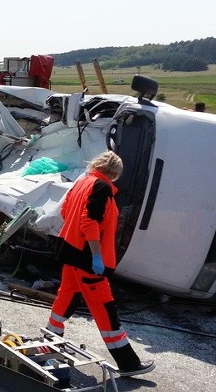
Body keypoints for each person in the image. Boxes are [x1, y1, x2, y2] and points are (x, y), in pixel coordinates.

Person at [45, 150, 155, 377]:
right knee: (105, 309)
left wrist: (77, 236)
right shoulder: (102, 188)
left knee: (66, 295)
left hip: (69, 251)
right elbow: (90, 221)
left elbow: (66, 211)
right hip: (87, 259)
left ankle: (51, 339)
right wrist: (96, 255)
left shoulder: (83, 181)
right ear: (114, 173)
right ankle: (128, 363)